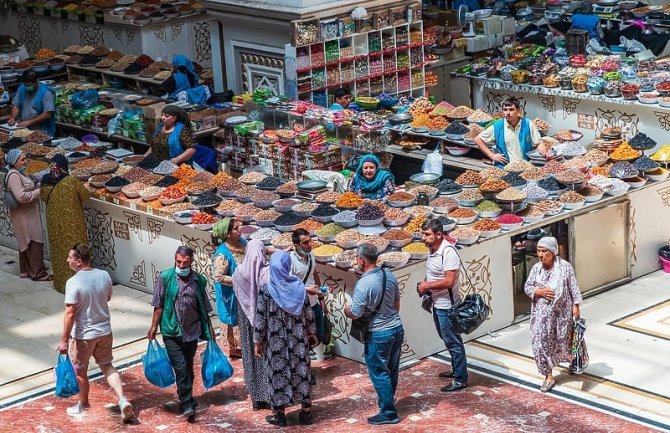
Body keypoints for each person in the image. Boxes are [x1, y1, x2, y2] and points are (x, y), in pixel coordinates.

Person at [56, 244, 134, 422]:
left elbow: (70, 313)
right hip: (105, 331)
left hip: (84, 336)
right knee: (107, 365)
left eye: (70, 257)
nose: (67, 260)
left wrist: (64, 340)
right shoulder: (104, 275)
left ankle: (83, 404)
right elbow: (107, 297)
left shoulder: (73, 282)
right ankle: (122, 400)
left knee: (80, 371)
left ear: (79, 261)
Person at [147, 246, 215, 423]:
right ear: (174, 260)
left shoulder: (198, 281)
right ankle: (187, 404)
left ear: (191, 261)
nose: (182, 265)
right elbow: (158, 304)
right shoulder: (165, 277)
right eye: (179, 262)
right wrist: (154, 326)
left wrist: (210, 329)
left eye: (185, 262)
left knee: (188, 368)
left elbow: (203, 307)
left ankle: (184, 393)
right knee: (181, 367)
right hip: (171, 331)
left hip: (192, 331)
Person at [254, 251, 316, 427]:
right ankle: (306, 412)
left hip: (275, 342)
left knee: (277, 373)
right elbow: (308, 313)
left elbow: (260, 318)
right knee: (302, 371)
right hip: (298, 339)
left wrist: (258, 341)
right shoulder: (298, 288)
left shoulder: (266, 291)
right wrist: (312, 333)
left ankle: (280, 415)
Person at [344, 244, 404, 425]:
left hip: (379, 334)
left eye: (357, 258)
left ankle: (388, 413)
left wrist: (347, 310)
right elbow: (396, 305)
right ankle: (387, 402)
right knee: (391, 370)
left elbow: (356, 313)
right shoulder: (389, 275)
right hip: (396, 328)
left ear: (361, 260)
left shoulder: (364, 284)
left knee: (379, 372)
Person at [524, 236, 583, 392]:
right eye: (538, 251)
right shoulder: (536, 269)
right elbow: (527, 286)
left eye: (544, 251)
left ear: (553, 252)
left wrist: (576, 306)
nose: (541, 255)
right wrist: (539, 291)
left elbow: (573, 286)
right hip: (541, 317)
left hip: (561, 315)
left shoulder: (565, 267)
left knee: (564, 339)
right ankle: (548, 375)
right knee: (540, 342)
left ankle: (574, 362)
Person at [417, 218, 468, 392]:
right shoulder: (433, 250)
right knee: (447, 339)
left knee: (453, 341)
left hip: (448, 307)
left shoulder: (448, 253)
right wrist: (425, 283)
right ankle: (456, 369)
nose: (423, 238)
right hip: (437, 304)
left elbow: (449, 281)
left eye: (427, 234)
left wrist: (426, 286)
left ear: (439, 234)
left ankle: (461, 378)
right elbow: (434, 274)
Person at [231, 239, 271, 411]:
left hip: (245, 323)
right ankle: (268, 395)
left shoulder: (238, 273)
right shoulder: (266, 273)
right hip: (263, 324)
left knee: (249, 357)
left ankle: (255, 397)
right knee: (264, 356)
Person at [40, 154, 89, 293]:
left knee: (58, 250)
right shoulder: (71, 180)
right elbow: (85, 196)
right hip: (73, 222)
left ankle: (62, 284)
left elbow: (43, 197)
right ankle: (80, 284)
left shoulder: (45, 181)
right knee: (77, 250)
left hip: (54, 222)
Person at [3, 149, 51, 281]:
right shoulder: (13, 176)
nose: (26, 162)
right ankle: (38, 273)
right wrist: (38, 192)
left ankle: (26, 270)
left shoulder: (18, 172)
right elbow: (21, 196)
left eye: (25, 158)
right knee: (32, 239)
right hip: (24, 214)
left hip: (26, 212)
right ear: (14, 162)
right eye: (22, 160)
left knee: (26, 240)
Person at [474, 97, 549, 166]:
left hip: (525, 166)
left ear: (518, 110)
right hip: (504, 167)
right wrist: (491, 155)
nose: (508, 113)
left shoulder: (528, 124)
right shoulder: (497, 126)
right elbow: (478, 139)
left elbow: (538, 143)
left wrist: (545, 153)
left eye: (511, 109)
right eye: (505, 110)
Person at [211, 217, 245, 359]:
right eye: (236, 229)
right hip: (231, 295)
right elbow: (218, 277)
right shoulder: (222, 255)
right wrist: (238, 280)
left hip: (243, 292)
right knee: (233, 319)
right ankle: (235, 350)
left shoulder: (242, 243)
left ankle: (244, 346)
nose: (240, 231)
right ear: (228, 234)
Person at [289, 229, 326, 358]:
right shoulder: (290, 261)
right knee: (303, 339)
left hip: (314, 302)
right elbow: (288, 285)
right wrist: (306, 290)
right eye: (305, 243)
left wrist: (321, 297)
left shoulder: (311, 256)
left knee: (319, 335)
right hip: (300, 306)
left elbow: (315, 275)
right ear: (296, 245)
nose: (309, 244)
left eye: (309, 241)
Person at [8, 70, 56, 136]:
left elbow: (47, 114)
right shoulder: (22, 88)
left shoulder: (46, 93)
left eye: (29, 86)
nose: (27, 88)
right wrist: (13, 118)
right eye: (25, 85)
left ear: (36, 81)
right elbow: (16, 105)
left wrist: (30, 122)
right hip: (25, 129)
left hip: (42, 131)